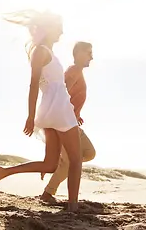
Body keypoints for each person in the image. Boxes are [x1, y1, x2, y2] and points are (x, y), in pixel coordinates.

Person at [0, 10, 82, 212]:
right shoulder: (41, 51)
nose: (62, 32)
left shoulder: (45, 52)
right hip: (60, 108)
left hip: (50, 109)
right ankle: (73, 206)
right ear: (48, 28)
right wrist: (29, 116)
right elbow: (33, 84)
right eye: (59, 27)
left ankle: (4, 172)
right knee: (76, 159)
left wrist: (34, 115)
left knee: (50, 164)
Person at [39, 41, 96, 203]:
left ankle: (49, 191)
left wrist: (76, 113)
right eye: (89, 53)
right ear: (78, 53)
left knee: (87, 154)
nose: (92, 57)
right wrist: (68, 114)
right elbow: (62, 95)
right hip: (66, 123)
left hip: (70, 120)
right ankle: (51, 195)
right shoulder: (74, 70)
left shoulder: (77, 71)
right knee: (76, 158)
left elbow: (67, 98)